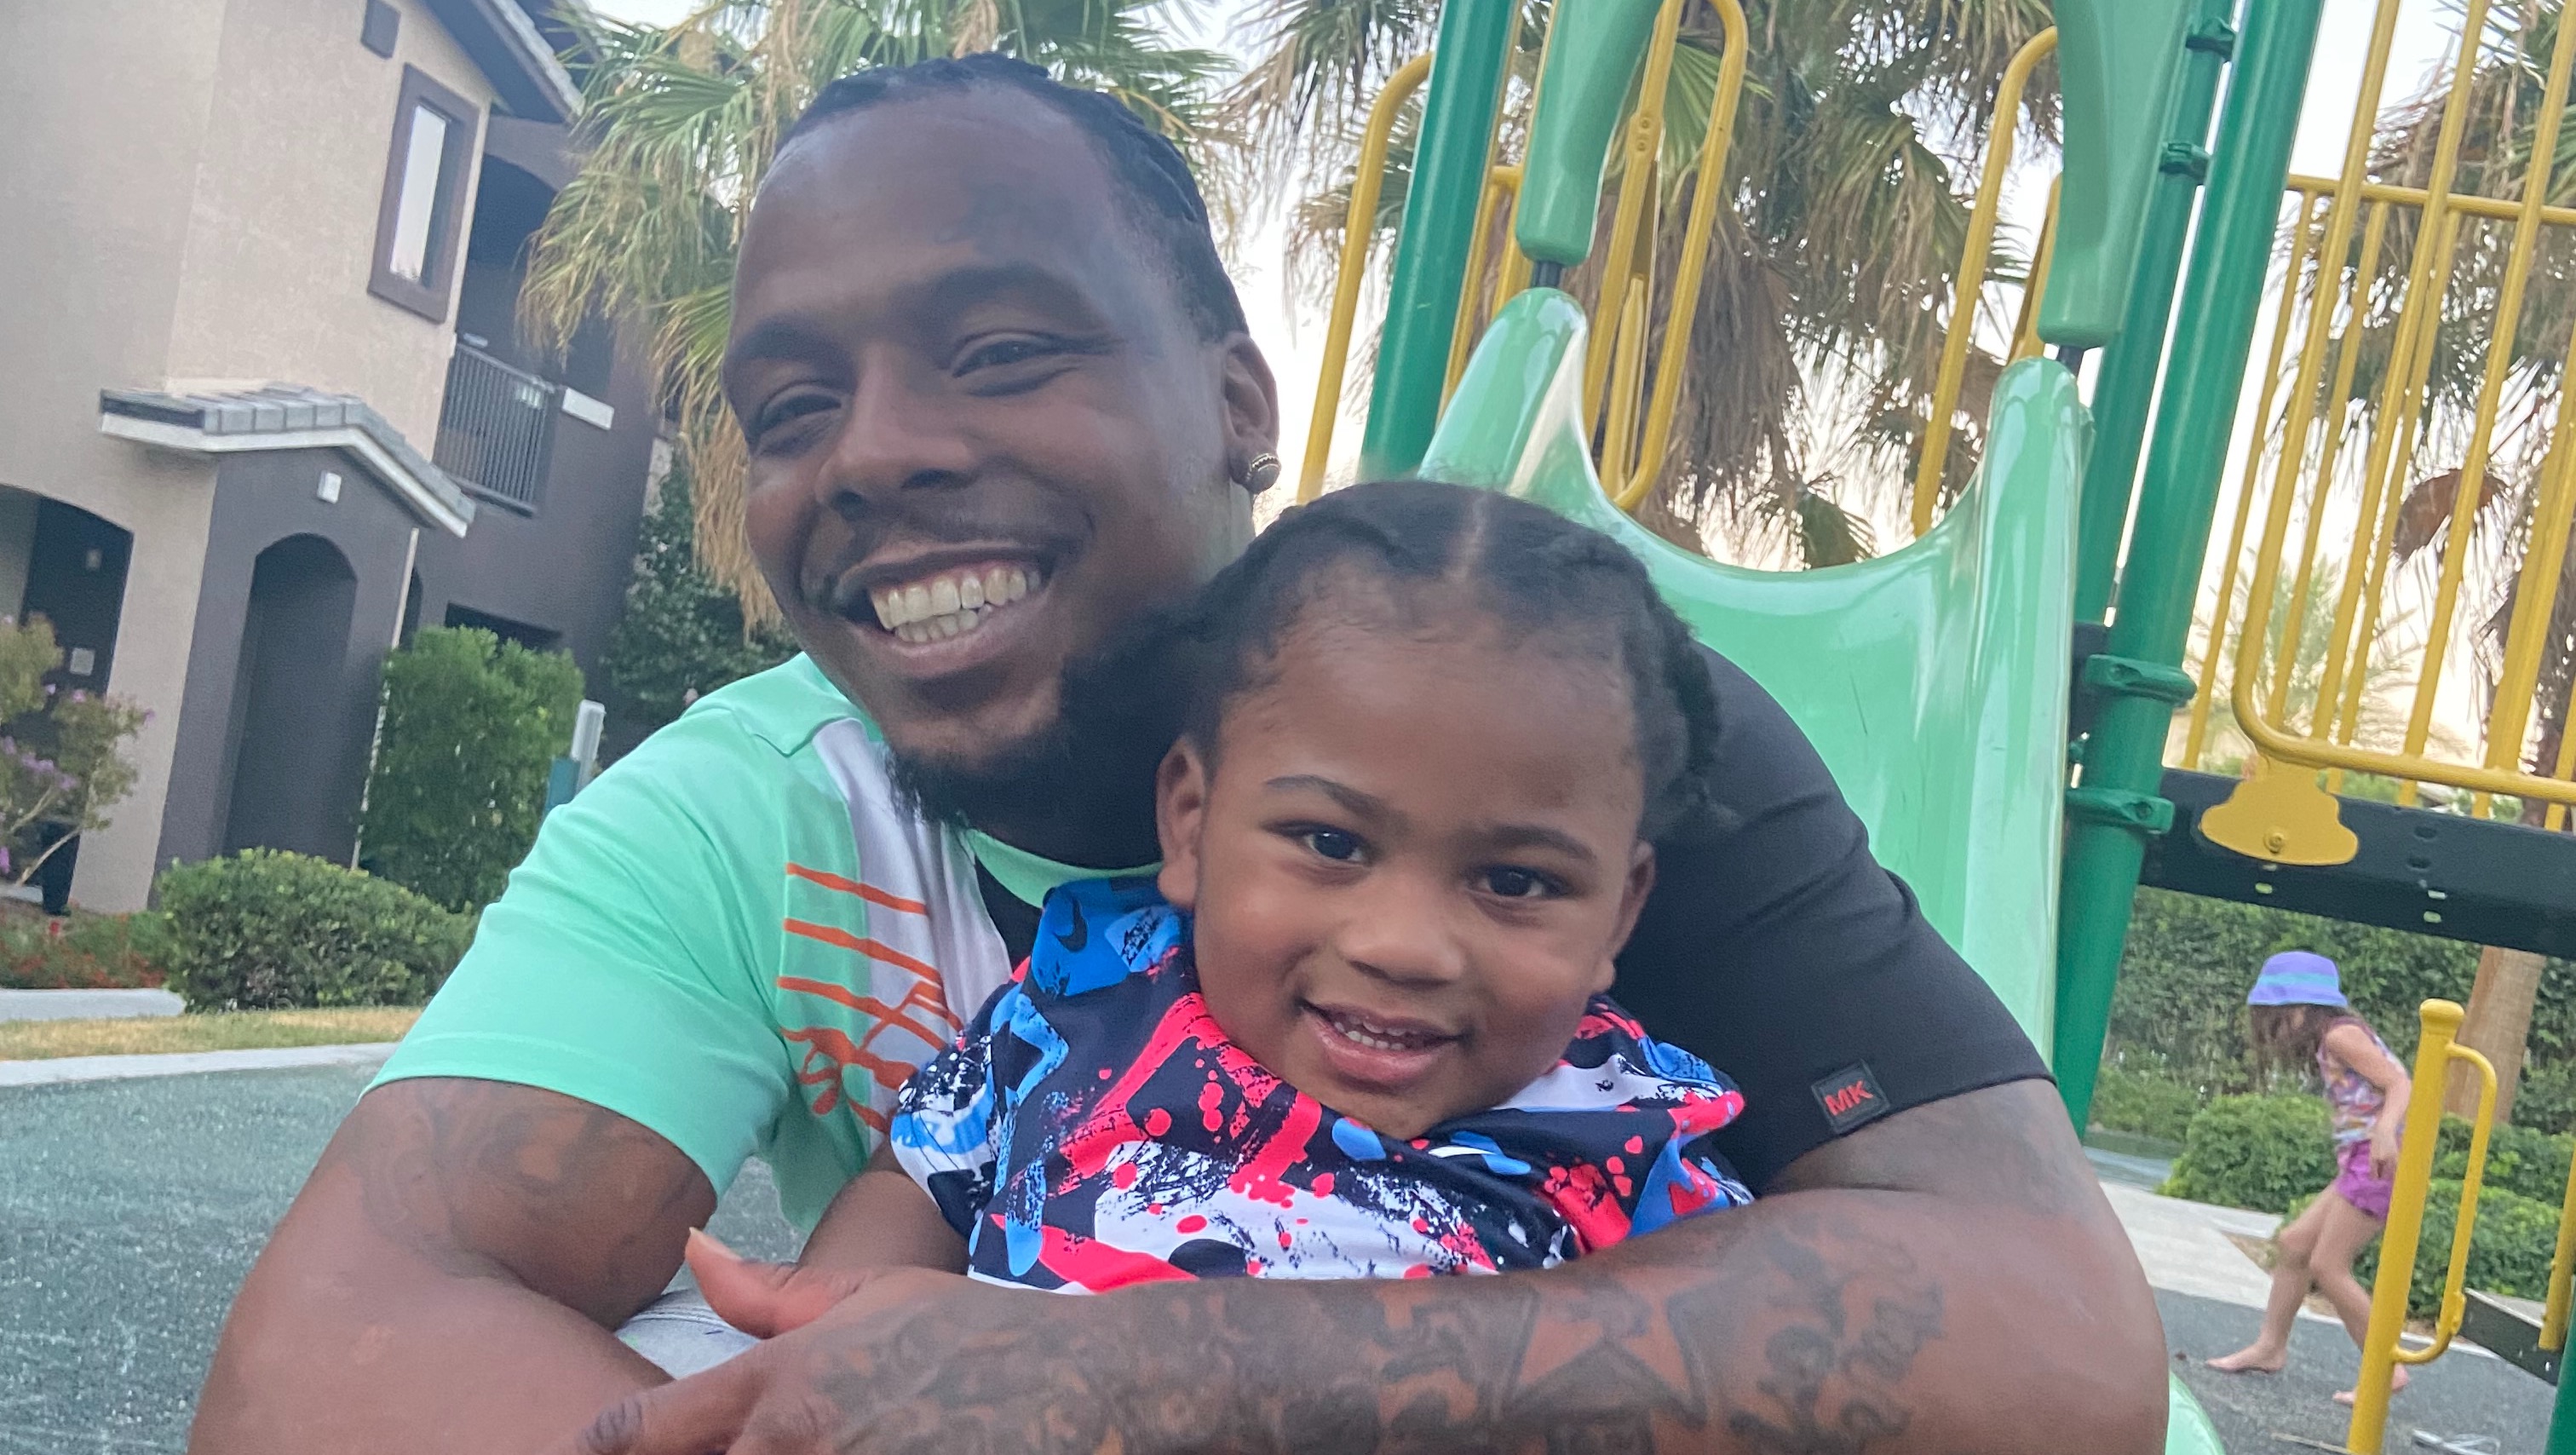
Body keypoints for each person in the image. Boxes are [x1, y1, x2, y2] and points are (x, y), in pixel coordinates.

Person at [189, 54, 2165, 1455]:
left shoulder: (1583, 750)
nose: (873, 452)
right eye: (790, 408)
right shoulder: (747, 814)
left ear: (1235, 400)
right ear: (1193, 826)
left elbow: (2057, 1340)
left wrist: (1122, 1380)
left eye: (999, 351)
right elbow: (334, 1349)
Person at [703, 480, 1757, 1314]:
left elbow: (1720, 1362)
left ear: (1620, 913)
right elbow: (918, 1179)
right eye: (1331, 843)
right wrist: (827, 1337)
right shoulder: (1082, 1008)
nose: (1404, 945)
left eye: (1516, 881)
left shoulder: (1630, 1134)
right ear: (1191, 822)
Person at [2206, 951, 2413, 1403]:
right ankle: (2270, 1347)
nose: (2274, 1031)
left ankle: (2386, 1368)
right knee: (2296, 1243)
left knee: (2328, 1265)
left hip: (2378, 1160)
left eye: (2276, 1019)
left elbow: (2400, 1083)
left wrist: (2384, 1132)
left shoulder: (2341, 1036)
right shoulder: (2335, 1037)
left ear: (2300, 1008)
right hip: (2362, 1158)